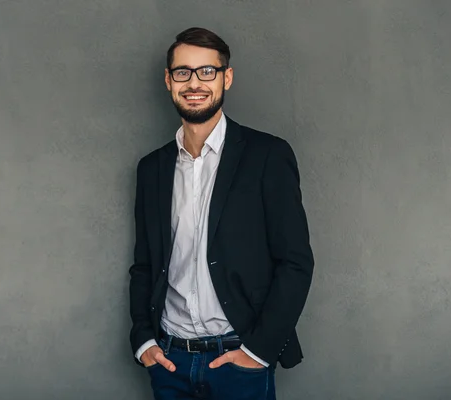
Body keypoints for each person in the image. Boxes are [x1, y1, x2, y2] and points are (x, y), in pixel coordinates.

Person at [128, 27, 314, 400]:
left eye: (207, 71)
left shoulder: (267, 156)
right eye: (183, 72)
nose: (194, 82)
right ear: (168, 80)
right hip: (170, 363)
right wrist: (143, 338)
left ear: (226, 77)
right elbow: (146, 264)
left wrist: (258, 351)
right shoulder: (152, 169)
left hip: (239, 360)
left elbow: (295, 262)